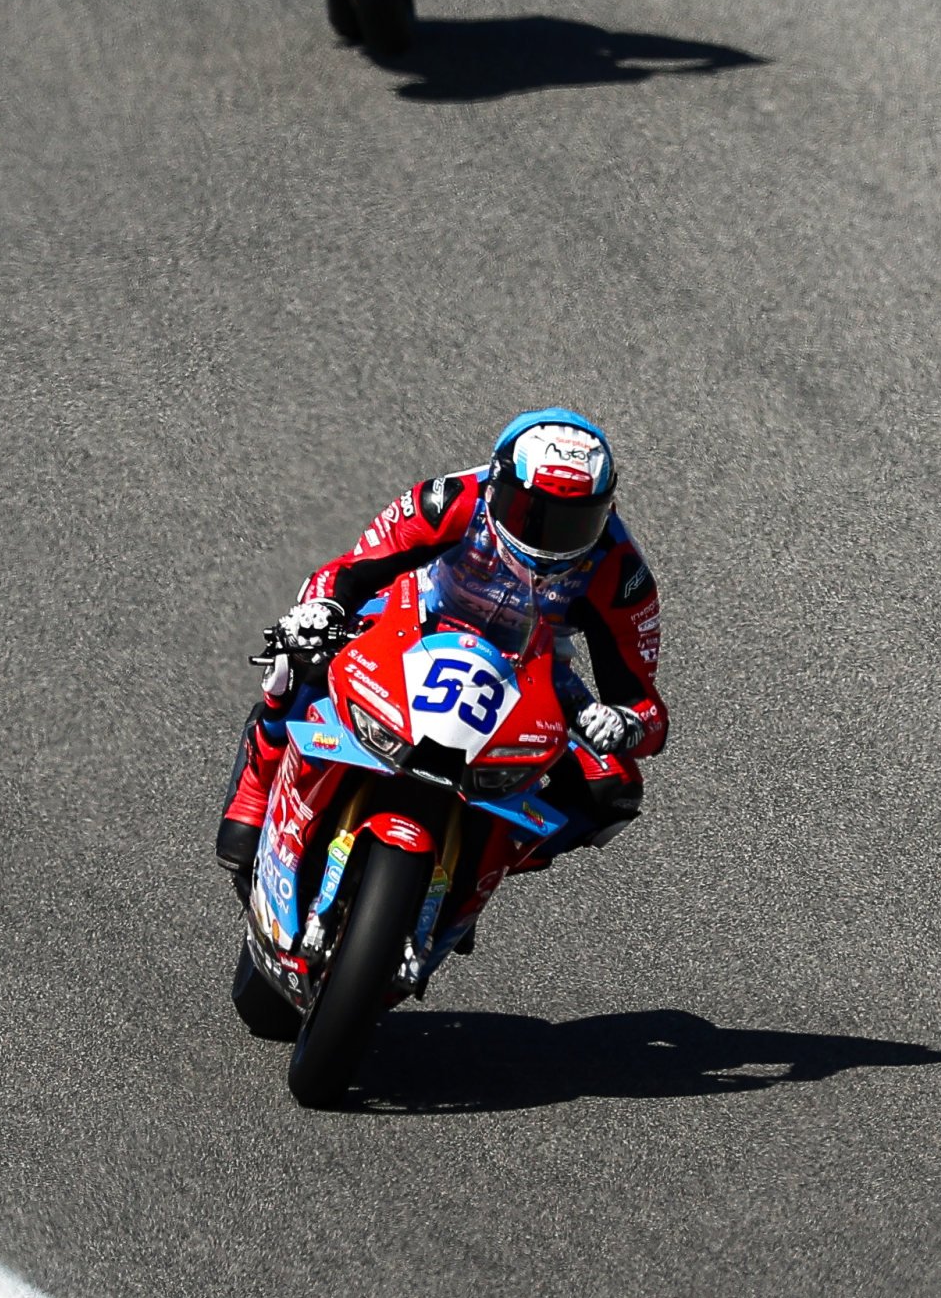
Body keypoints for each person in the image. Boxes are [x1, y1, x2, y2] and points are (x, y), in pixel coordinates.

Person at [218, 409, 664, 958]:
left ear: (608, 509)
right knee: (299, 657)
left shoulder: (622, 572)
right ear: (499, 486)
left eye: (575, 520)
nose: (546, 535)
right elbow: (353, 568)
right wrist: (320, 609)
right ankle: (255, 795)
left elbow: (646, 707)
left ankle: (486, 862)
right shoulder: (450, 499)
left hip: (528, 669)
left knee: (613, 785)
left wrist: (622, 722)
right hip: (410, 623)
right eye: (529, 512)